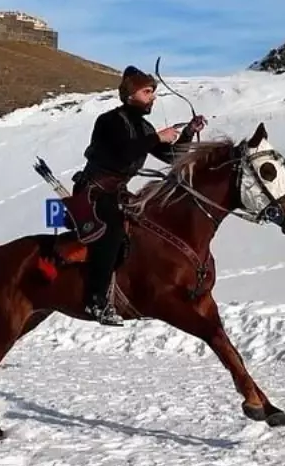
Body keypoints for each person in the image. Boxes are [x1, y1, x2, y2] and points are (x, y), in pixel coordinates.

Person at [71, 65, 207, 325]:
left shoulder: (143, 127)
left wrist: (188, 132)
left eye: (153, 92)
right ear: (131, 94)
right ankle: (96, 302)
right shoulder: (109, 121)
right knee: (112, 233)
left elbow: (172, 156)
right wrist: (156, 137)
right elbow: (122, 153)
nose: (152, 97)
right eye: (147, 91)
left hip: (119, 193)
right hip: (94, 192)